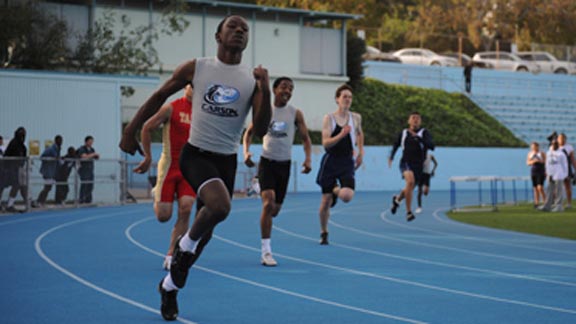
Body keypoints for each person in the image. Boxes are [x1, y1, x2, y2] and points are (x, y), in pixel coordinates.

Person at [119, 15, 271, 321]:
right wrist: (130, 130)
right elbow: (161, 95)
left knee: (208, 232)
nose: (239, 31)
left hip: (225, 161)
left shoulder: (251, 80)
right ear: (218, 34)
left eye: (245, 29)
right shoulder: (197, 67)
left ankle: (170, 287)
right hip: (196, 154)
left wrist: (265, 89)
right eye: (233, 27)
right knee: (220, 206)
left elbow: (263, 127)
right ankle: (182, 247)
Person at [243, 76, 312, 266]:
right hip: (267, 161)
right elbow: (248, 134)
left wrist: (307, 159)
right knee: (268, 203)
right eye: (283, 87)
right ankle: (266, 252)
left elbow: (306, 138)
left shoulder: (295, 113)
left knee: (274, 211)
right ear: (274, 89)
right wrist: (246, 152)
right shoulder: (265, 111)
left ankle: (258, 185)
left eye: (291, 89)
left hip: (284, 165)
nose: (287, 91)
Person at [133, 84, 197, 271]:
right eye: (192, 85)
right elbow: (146, 127)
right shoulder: (171, 107)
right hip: (169, 166)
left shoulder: (203, 112)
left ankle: (172, 253)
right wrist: (147, 157)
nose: (195, 89)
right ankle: (158, 193)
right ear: (186, 87)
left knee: (186, 208)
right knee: (163, 216)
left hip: (190, 169)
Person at [315, 84, 364, 245]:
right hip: (331, 160)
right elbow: (326, 143)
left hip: (347, 161)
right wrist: (341, 134)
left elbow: (359, 133)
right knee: (325, 202)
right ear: (337, 99)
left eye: (350, 97)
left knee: (347, 196)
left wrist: (360, 152)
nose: (347, 99)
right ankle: (324, 232)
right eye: (344, 96)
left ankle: (336, 191)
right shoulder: (329, 118)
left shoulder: (356, 118)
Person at [388, 112, 435, 222]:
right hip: (406, 163)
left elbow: (432, 146)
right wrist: (391, 157)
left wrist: (419, 139)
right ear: (409, 121)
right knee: (410, 182)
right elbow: (396, 144)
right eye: (413, 118)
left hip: (419, 165)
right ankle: (409, 212)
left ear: (420, 121)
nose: (415, 120)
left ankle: (397, 200)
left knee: (409, 188)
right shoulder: (404, 133)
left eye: (418, 118)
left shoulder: (424, 133)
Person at [539, 136, 568, 212]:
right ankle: (547, 205)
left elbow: (565, 165)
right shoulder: (548, 153)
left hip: (559, 173)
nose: (554, 145)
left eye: (555, 143)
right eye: (553, 143)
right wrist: (547, 171)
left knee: (559, 190)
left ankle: (559, 206)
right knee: (549, 190)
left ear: (558, 145)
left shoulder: (561, 154)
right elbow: (547, 163)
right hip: (550, 173)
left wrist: (565, 174)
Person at [3, 127, 28, 213]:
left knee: (22, 186)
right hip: (10, 169)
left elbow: (23, 157)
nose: (22, 136)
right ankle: (9, 205)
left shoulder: (23, 146)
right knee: (14, 185)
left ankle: (26, 203)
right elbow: (7, 156)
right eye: (21, 134)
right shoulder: (13, 143)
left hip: (19, 168)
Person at [35, 135, 63, 207]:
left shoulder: (58, 149)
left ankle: (41, 201)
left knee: (48, 188)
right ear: (56, 141)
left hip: (53, 171)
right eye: (59, 140)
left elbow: (58, 159)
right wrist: (51, 158)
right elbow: (42, 157)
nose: (61, 142)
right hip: (47, 171)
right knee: (47, 187)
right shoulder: (50, 149)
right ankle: (39, 201)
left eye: (61, 140)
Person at [77, 135, 99, 204]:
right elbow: (84, 157)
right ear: (86, 142)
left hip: (90, 170)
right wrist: (93, 155)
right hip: (83, 170)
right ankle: (81, 200)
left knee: (90, 185)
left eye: (92, 142)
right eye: (89, 142)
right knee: (84, 185)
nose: (91, 143)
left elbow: (95, 157)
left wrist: (96, 156)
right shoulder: (82, 149)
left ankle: (88, 200)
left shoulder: (92, 149)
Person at [558, 133, 576, 208]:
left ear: (565, 139)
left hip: (566, 169)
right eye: (559, 138)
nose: (561, 140)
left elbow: (572, 159)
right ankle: (559, 203)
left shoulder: (569, 147)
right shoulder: (555, 147)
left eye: (563, 138)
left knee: (567, 186)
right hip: (557, 169)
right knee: (557, 186)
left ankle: (569, 203)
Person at [526, 142, 546, 208]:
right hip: (534, 171)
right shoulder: (530, 154)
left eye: (535, 146)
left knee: (540, 187)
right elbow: (528, 163)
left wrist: (540, 161)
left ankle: (545, 201)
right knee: (535, 188)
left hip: (541, 171)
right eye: (532, 147)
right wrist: (533, 161)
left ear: (538, 146)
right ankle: (536, 203)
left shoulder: (542, 153)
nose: (533, 148)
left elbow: (545, 162)